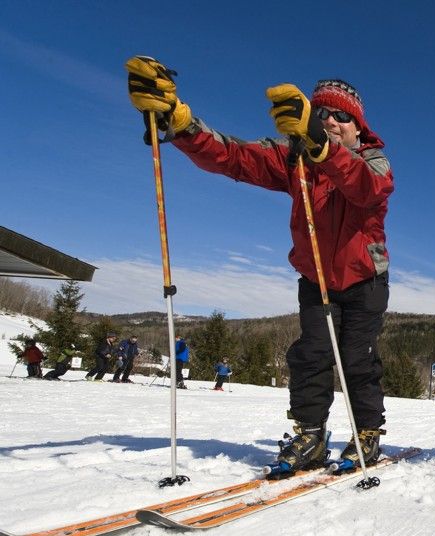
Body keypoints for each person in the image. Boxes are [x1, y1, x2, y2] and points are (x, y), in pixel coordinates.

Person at [126, 56, 394, 471]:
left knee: (358, 359)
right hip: (316, 279)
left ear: (358, 126)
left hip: (364, 282)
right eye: (320, 113)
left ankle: (367, 433)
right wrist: (180, 124)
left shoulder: (373, 160)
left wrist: (322, 151)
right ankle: (310, 434)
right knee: (312, 354)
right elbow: (234, 156)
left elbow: (367, 190)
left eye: (341, 116)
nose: (330, 121)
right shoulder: (295, 157)